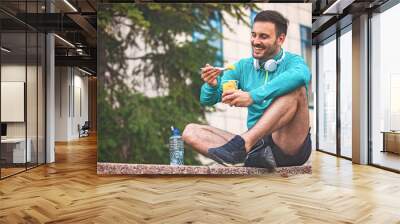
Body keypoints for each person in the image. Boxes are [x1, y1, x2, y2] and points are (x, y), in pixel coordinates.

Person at [182, 10, 312, 169]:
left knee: (297, 89)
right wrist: (212, 85)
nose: (255, 41)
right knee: (190, 132)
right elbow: (207, 99)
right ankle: (252, 156)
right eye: (253, 35)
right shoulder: (242, 67)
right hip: (257, 146)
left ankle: (245, 146)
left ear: (280, 39)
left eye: (263, 37)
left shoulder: (293, 61)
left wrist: (252, 96)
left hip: (288, 144)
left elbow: (301, 76)